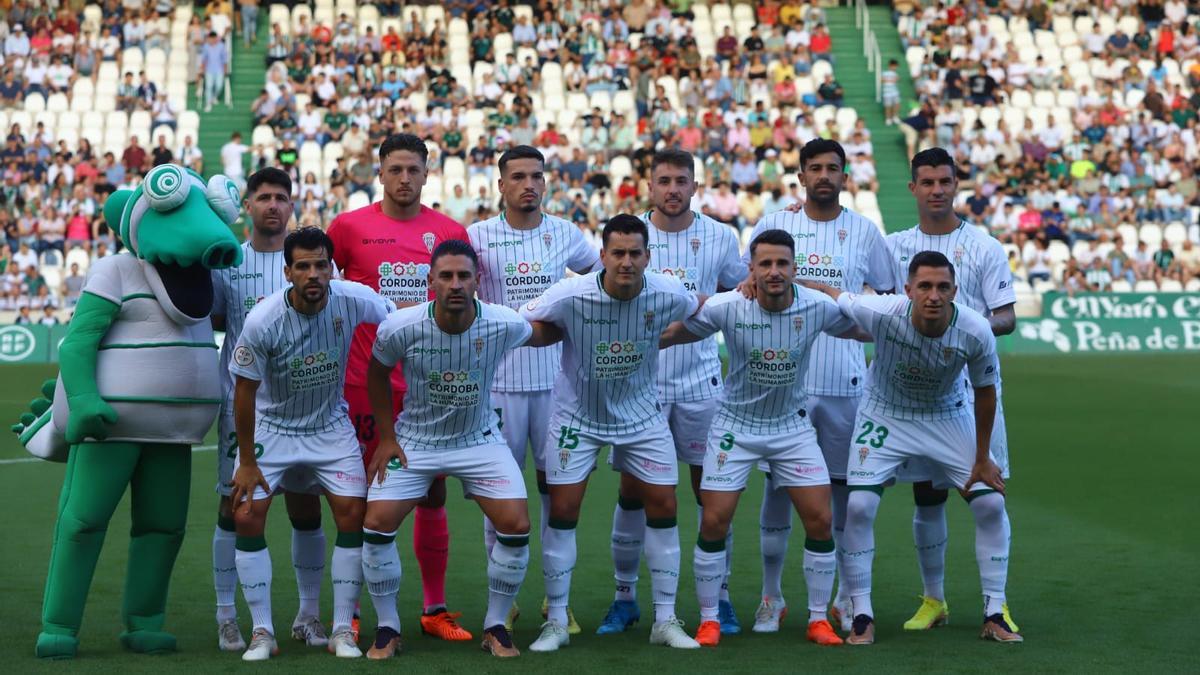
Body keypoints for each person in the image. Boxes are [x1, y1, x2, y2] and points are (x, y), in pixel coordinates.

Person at [659, 229, 867, 647]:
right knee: (714, 520)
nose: (774, 271)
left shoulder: (816, 307)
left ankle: (816, 619)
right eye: (765, 264)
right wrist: (637, 337)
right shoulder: (730, 305)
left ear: (794, 268)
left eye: (782, 264)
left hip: (791, 428)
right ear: (750, 269)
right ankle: (709, 619)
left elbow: (866, 327)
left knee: (821, 520)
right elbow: (678, 331)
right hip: (735, 427)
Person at [809, 251, 1020, 645]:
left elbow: (986, 394)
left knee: (991, 503)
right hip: (885, 413)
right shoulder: (882, 311)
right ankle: (862, 616)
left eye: (943, 287)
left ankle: (995, 612)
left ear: (955, 292)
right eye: (924, 286)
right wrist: (766, 282)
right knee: (858, 507)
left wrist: (982, 458)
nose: (934, 295)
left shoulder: (975, 330)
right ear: (908, 290)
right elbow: (829, 292)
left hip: (947, 413)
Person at [362, 240, 553, 659]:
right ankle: (388, 627)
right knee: (376, 523)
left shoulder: (502, 322)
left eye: (464, 276)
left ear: (477, 281)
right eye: (445, 276)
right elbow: (376, 374)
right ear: (430, 281)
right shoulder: (402, 325)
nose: (455, 284)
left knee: (516, 524)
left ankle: (497, 625)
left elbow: (546, 330)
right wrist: (387, 437)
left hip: (478, 439)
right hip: (414, 442)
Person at [521, 214, 702, 652]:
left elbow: (705, 309)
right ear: (601, 256)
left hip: (641, 416)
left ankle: (664, 618)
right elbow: (527, 324)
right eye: (617, 253)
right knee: (562, 510)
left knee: (663, 503)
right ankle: (557, 621)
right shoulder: (570, 293)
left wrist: (673, 335)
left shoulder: (667, 292)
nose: (626, 262)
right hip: (577, 418)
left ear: (647, 257)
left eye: (634, 253)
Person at [742, 138, 894, 633]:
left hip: (845, 383)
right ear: (801, 177)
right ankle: (771, 596)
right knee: (779, 492)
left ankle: (849, 597)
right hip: (785, 386)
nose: (824, 175)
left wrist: (843, 296)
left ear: (845, 176)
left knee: (845, 495)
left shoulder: (866, 232)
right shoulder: (776, 224)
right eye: (815, 168)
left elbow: (888, 304)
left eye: (833, 168)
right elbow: (748, 285)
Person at [325, 133, 472, 642]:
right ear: (379, 173)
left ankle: (435, 608)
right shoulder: (348, 228)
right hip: (366, 386)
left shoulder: (450, 231)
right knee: (365, 498)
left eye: (414, 169)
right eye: (395, 169)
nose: (404, 179)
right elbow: (321, 289)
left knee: (433, 496)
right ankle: (357, 609)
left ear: (427, 173)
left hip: (431, 388)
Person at [227, 227, 393, 661]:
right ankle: (262, 631)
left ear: (332, 267)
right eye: (303, 266)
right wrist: (246, 461)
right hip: (274, 428)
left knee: (353, 513)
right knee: (245, 513)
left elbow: (397, 317)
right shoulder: (263, 320)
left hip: (328, 426)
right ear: (288, 272)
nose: (314, 274)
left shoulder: (352, 298)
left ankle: (340, 628)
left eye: (322, 264)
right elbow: (243, 393)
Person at [599, 149, 745, 637]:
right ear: (649, 186)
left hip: (701, 384)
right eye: (664, 180)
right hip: (639, 386)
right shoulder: (630, 236)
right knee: (634, 492)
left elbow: (738, 295)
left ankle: (719, 597)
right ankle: (624, 598)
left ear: (695, 186)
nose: (673, 189)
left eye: (682, 180)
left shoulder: (721, 237)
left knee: (712, 493)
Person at [883, 148, 1018, 633]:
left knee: (987, 494)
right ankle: (934, 600)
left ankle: (995, 604)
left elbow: (1007, 315)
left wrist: (968, 326)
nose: (937, 189)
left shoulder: (984, 246)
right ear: (913, 188)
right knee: (927, 496)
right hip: (916, 393)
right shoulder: (892, 245)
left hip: (975, 390)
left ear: (956, 184)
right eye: (927, 181)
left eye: (945, 181)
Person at [466, 145, 599, 633]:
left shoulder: (565, 233)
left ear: (546, 183)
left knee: (555, 493)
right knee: (499, 492)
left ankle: (554, 599)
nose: (528, 184)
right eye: (517, 176)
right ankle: (505, 597)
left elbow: (600, 278)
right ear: (499, 185)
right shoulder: (476, 236)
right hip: (496, 385)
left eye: (536, 176)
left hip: (556, 387)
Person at [209, 169, 329, 653]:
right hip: (244, 409)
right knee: (233, 508)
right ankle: (225, 617)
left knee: (306, 507)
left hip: (305, 410)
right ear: (249, 206)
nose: (273, 206)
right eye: (263, 197)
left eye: (281, 197)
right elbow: (217, 319)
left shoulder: (308, 261)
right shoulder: (228, 262)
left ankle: (308, 614)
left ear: (291, 204)